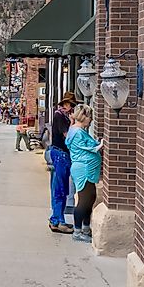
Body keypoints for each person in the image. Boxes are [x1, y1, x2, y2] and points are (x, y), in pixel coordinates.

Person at [67, 104, 103, 242]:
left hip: (88, 169)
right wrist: (100, 145)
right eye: (90, 117)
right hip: (84, 170)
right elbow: (87, 147)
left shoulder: (78, 130)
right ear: (84, 116)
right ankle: (77, 231)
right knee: (84, 200)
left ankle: (86, 228)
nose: (91, 120)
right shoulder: (77, 132)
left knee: (90, 198)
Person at [48, 91, 78, 234]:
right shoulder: (60, 116)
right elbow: (68, 137)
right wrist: (73, 123)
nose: (70, 107)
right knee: (60, 189)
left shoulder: (63, 116)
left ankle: (57, 219)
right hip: (60, 153)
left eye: (71, 105)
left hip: (62, 153)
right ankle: (58, 220)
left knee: (61, 188)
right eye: (68, 104)